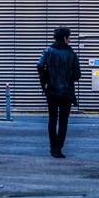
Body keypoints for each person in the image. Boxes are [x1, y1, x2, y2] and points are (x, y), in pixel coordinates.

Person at [37, 27, 81, 158]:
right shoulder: (71, 53)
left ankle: (52, 147)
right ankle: (58, 149)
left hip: (51, 91)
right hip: (66, 93)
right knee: (63, 121)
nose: (70, 39)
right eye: (69, 37)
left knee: (52, 119)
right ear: (65, 38)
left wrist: (44, 82)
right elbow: (77, 75)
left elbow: (39, 65)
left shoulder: (48, 51)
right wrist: (69, 77)